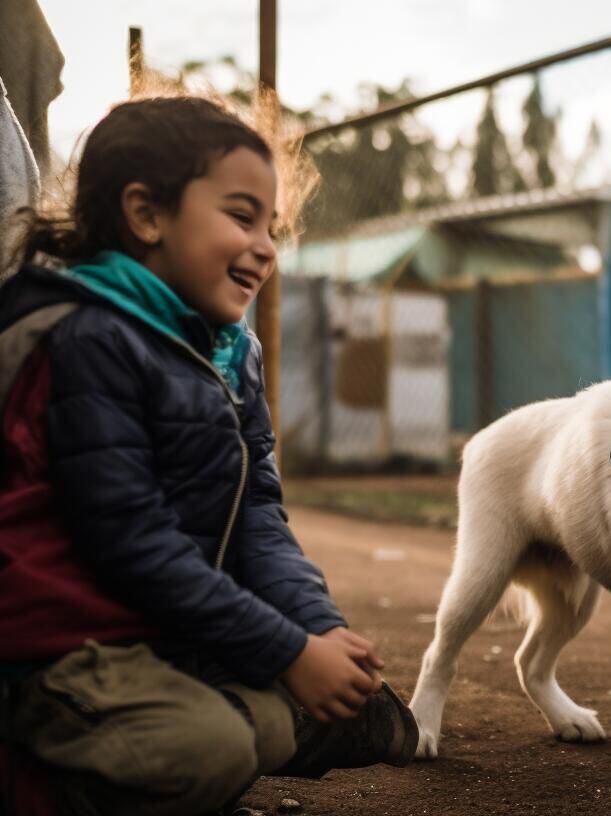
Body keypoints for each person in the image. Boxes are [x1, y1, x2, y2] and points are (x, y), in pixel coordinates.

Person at [0, 96, 416, 816]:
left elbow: (258, 513)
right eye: (241, 216)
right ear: (147, 215)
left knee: (366, 712)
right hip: (59, 651)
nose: (265, 246)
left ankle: (183, 752)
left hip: (161, 631)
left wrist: (314, 627)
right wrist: (286, 653)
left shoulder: (230, 352)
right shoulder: (89, 338)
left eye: (272, 226)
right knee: (212, 749)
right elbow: (134, 544)